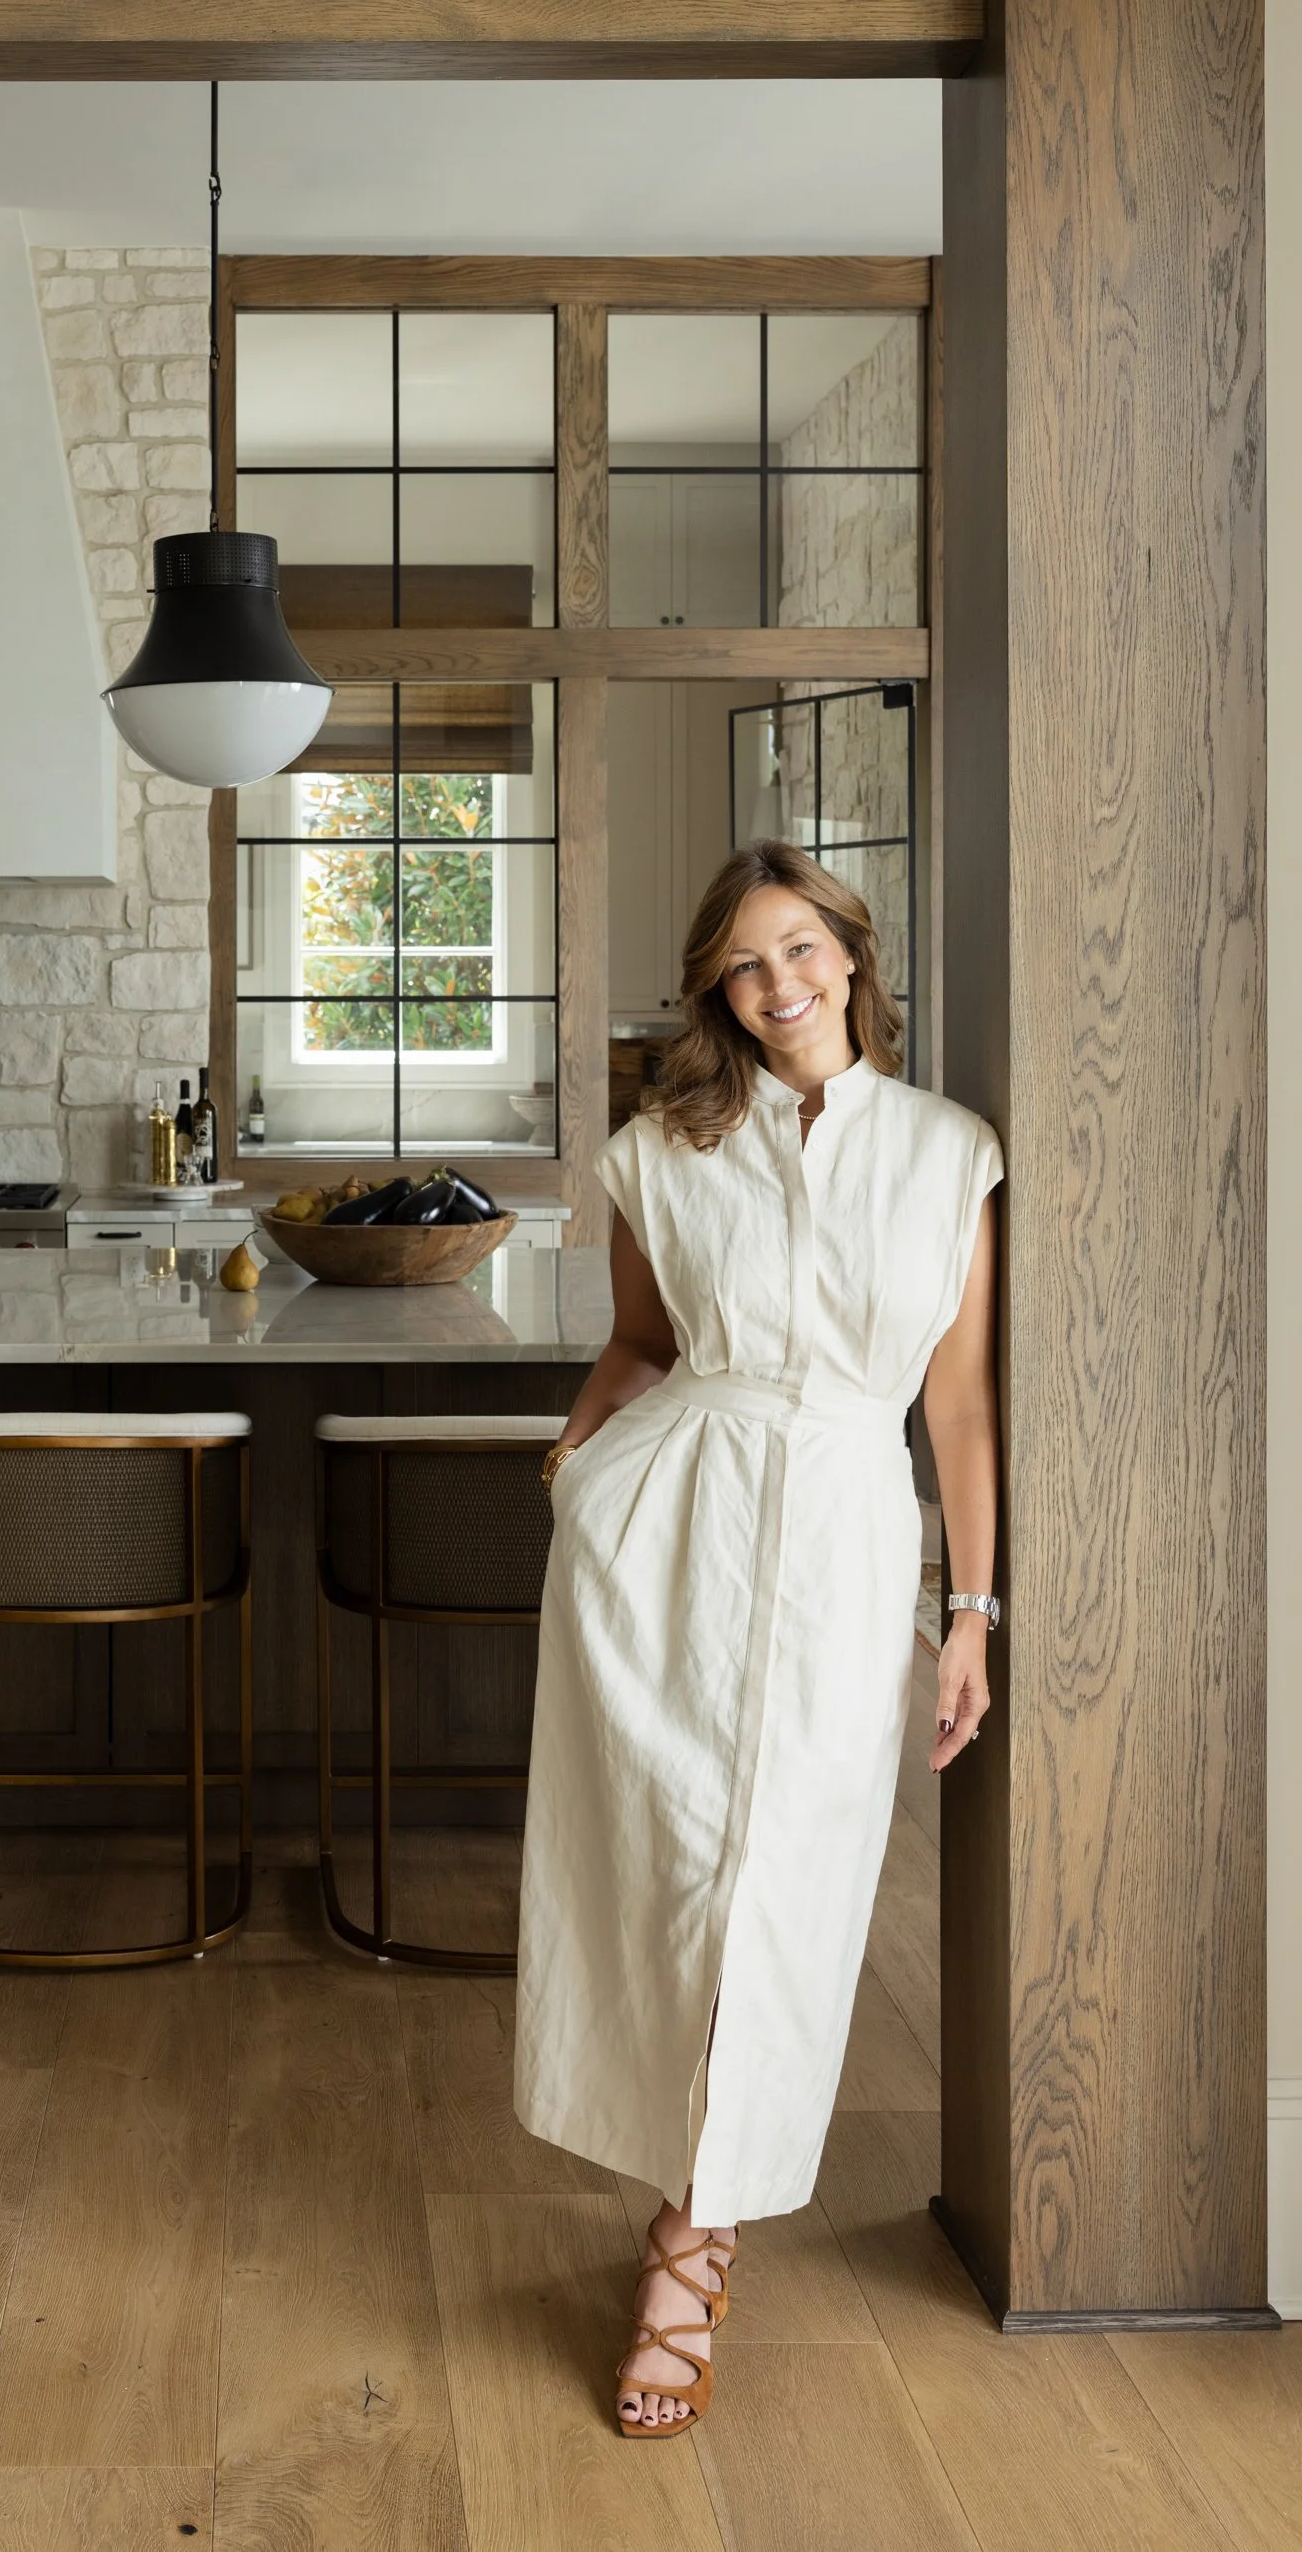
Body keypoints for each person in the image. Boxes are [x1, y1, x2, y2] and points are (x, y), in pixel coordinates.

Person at [514, 839, 1001, 2437]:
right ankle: (693, 2218)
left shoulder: (948, 1154)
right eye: (745, 962)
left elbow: (959, 1404)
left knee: (786, 1884)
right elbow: (642, 1343)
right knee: (673, 1879)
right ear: (717, 991)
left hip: (854, 1538)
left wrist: (972, 1608)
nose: (780, 982)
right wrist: (580, 1463)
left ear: (853, 957)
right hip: (677, 1528)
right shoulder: (663, 1149)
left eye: (802, 947)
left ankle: (688, 2235)